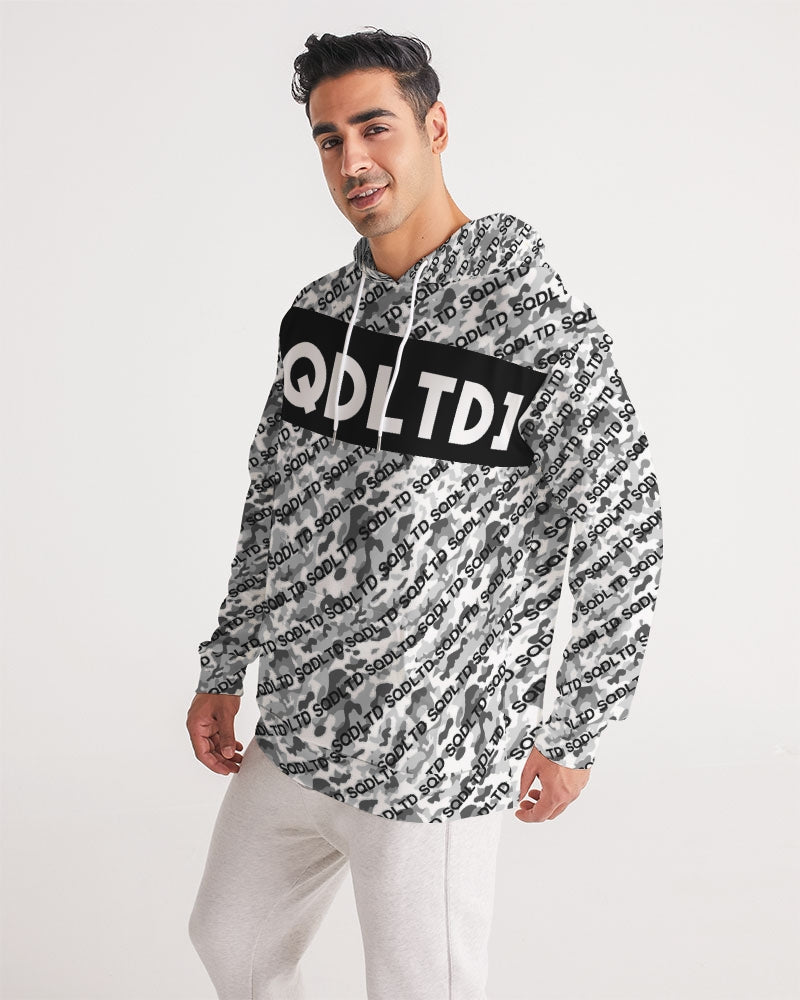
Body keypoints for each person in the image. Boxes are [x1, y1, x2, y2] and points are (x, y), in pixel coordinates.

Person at [186, 26, 664, 1000]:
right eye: (329, 139)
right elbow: (271, 503)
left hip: (437, 754)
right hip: (299, 726)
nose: (351, 160)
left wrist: (575, 728)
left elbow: (624, 526)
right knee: (230, 942)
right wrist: (225, 664)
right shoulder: (319, 318)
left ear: (434, 126)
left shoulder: (531, 321)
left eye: (375, 128)